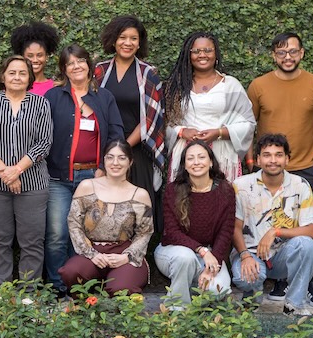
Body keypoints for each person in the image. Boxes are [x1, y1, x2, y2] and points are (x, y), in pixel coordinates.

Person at [246, 32, 313, 308]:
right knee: (270, 223)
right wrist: (250, 161)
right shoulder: (259, 85)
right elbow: (248, 125)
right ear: (274, 55)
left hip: (306, 168)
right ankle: (280, 280)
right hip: (268, 167)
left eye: (293, 51)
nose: (288, 57)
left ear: (302, 53)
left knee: (312, 228)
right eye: (282, 52)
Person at [44, 44, 124, 295]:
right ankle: (57, 287)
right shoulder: (53, 97)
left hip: (93, 178)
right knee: (57, 234)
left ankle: (79, 287)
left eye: (80, 61)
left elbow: (116, 134)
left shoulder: (104, 97)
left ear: (89, 65)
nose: (76, 66)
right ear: (64, 69)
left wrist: (103, 167)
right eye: (70, 63)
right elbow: (41, 134)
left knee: (86, 234)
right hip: (58, 177)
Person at [0, 55, 53, 284]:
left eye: (22, 73)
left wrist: (17, 170)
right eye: (12, 72)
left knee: (32, 241)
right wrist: (5, 172)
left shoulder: (41, 104)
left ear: (29, 77)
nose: (17, 77)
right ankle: (3, 291)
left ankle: (28, 292)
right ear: (3, 76)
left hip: (33, 185)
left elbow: (44, 143)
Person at [230, 134, 313, 316]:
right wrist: (245, 255)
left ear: (287, 159)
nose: (273, 160)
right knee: (245, 278)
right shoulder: (241, 185)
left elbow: (312, 230)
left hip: (283, 256)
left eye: (278, 155)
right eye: (267, 155)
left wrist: (276, 231)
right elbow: (234, 227)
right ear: (258, 159)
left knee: (308, 246)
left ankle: (294, 305)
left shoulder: (300, 185)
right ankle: (251, 297)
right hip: (249, 254)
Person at [59, 140, 154, 295]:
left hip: (124, 252)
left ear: (130, 162)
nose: (115, 163)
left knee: (121, 289)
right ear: (104, 160)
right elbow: (74, 223)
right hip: (92, 251)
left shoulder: (140, 194)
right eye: (110, 157)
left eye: (121, 158)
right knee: (71, 272)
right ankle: (83, 303)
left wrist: (127, 256)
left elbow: (145, 232)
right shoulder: (87, 186)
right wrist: (91, 254)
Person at [94, 15, 165, 213]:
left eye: (133, 38)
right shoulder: (99, 71)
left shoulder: (148, 73)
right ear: (113, 40)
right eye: (122, 37)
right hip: (103, 149)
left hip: (136, 150)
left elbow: (151, 118)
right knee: (103, 210)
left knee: (138, 211)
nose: (128, 43)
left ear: (139, 43)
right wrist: (110, 151)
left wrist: (123, 148)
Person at [162, 31, 255, 181]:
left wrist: (219, 132)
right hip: (187, 155)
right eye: (196, 51)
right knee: (185, 195)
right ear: (188, 55)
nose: (202, 55)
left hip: (222, 154)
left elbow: (248, 123)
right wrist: (182, 131)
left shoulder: (230, 85)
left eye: (208, 50)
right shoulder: (177, 86)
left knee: (220, 194)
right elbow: (164, 122)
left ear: (216, 53)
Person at [153, 141, 235, 307]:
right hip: (173, 251)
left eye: (201, 157)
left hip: (209, 254)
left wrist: (211, 263)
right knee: (186, 258)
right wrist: (202, 251)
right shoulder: (173, 190)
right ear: (184, 165)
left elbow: (226, 232)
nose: (196, 162)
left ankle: (187, 288)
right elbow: (172, 232)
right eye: (190, 158)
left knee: (218, 291)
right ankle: (177, 308)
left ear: (211, 162)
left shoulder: (225, 190)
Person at [9, 21, 62, 95]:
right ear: (22, 57)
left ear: (46, 56)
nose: (35, 60)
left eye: (39, 55)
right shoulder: (14, 86)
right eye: (30, 56)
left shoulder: (55, 88)